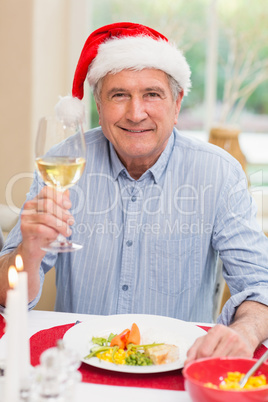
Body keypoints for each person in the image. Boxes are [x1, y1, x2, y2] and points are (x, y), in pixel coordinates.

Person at [0, 22, 268, 365]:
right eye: (119, 95)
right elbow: (7, 294)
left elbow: (259, 287)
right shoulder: (64, 161)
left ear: (176, 103)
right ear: (98, 103)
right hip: (80, 366)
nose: (135, 113)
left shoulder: (219, 173)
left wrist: (244, 332)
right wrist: (29, 252)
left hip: (177, 366)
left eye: (152, 94)